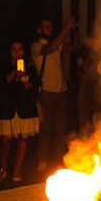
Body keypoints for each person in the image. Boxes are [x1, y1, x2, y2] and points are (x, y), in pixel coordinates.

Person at [31, 16, 79, 171]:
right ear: (39, 30)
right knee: (46, 129)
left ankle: (61, 161)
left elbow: (73, 46)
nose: (50, 29)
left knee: (60, 130)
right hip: (46, 92)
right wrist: (66, 27)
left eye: (51, 26)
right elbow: (50, 48)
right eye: (46, 26)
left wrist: (75, 29)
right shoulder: (36, 46)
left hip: (61, 91)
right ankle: (42, 161)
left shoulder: (55, 44)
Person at [0, 42, 40, 182]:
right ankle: (2, 168)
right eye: (13, 50)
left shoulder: (30, 66)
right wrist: (14, 73)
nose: (17, 52)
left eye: (20, 49)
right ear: (9, 52)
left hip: (24, 107)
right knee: (5, 139)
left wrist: (25, 77)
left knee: (22, 137)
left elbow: (34, 87)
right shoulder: (3, 65)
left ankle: (17, 170)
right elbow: (0, 83)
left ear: (23, 52)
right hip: (7, 107)